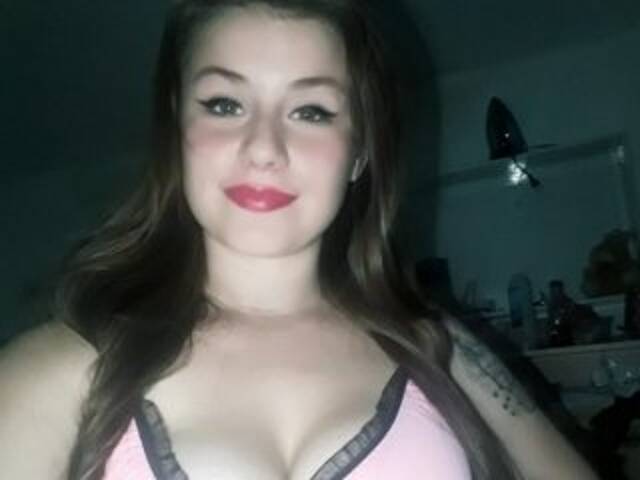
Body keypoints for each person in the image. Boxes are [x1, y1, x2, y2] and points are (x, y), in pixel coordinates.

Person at [0, 1, 599, 479]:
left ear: (359, 151)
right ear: (177, 126)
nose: (264, 148)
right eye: (225, 104)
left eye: (311, 111)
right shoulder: (53, 373)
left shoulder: (441, 348)